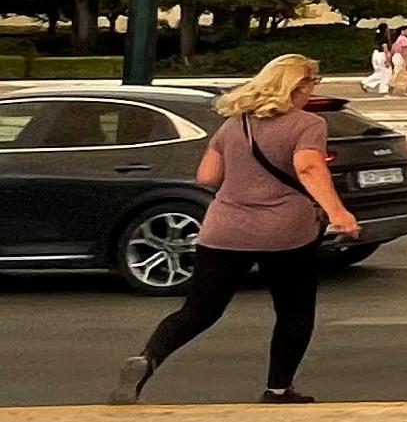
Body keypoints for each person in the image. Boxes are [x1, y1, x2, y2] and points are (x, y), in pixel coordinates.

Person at [112, 56, 359, 405]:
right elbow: (307, 168)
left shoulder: (234, 123)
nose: (312, 91)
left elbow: (207, 177)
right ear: (297, 86)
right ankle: (278, 389)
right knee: (294, 310)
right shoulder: (308, 124)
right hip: (285, 232)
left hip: (224, 229)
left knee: (199, 310)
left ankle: (148, 357)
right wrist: (339, 212)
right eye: (312, 84)